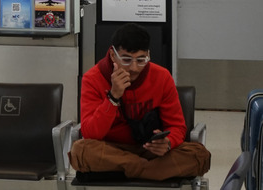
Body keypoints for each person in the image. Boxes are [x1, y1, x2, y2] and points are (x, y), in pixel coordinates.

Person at [70, 23, 211, 181]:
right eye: (126, 59)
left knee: (200, 155)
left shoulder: (162, 77)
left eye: (141, 59)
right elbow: (90, 133)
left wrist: (168, 142)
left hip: (149, 150)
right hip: (111, 149)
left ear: (148, 55)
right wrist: (113, 97)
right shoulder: (93, 78)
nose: (134, 68)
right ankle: (152, 172)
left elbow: (177, 126)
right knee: (80, 150)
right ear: (112, 55)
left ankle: (132, 169)